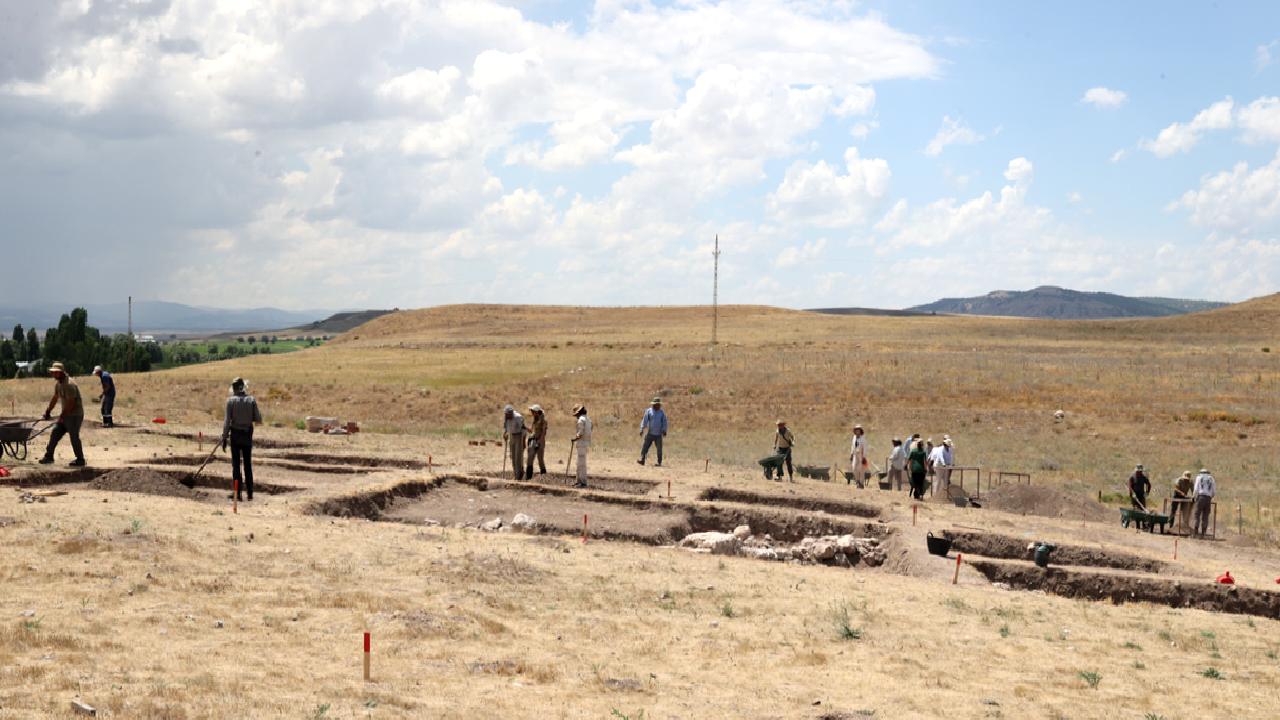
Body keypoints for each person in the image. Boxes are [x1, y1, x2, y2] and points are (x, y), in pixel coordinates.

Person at [222, 377, 262, 501]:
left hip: (235, 436)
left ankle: (237, 494)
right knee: (247, 465)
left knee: (236, 466)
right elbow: (258, 419)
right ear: (243, 387)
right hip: (247, 436)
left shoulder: (230, 401)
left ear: (234, 388)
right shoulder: (251, 400)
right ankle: (250, 493)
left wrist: (224, 437)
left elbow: (227, 422)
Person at [39, 361, 86, 467]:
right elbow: (55, 398)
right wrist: (48, 411)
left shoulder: (69, 384)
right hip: (66, 415)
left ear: (61, 372)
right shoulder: (59, 384)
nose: (53, 374)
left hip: (74, 415)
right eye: (53, 372)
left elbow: (71, 403)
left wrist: (62, 416)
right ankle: (49, 457)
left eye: (56, 372)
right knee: (55, 433)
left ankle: (80, 460)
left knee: (74, 436)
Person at [637, 397, 667, 466]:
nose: (657, 405)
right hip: (650, 433)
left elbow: (664, 422)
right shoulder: (649, 411)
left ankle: (659, 462)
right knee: (645, 447)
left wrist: (664, 430)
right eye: (655, 404)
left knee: (659, 449)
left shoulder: (661, 413)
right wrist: (641, 429)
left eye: (658, 404)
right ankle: (642, 460)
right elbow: (645, 420)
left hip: (658, 434)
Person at [502, 404, 526, 482]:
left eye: (507, 414)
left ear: (511, 413)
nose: (506, 415)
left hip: (519, 436)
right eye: (505, 414)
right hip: (511, 436)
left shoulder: (518, 417)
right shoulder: (506, 417)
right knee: (512, 456)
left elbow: (523, 429)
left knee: (518, 457)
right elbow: (506, 427)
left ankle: (519, 476)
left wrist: (523, 441)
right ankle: (516, 474)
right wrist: (505, 434)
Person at [524, 404, 547, 480]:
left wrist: (539, 441)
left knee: (540, 459)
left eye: (533, 411)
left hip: (540, 441)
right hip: (533, 440)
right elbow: (532, 431)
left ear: (537, 412)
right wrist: (525, 427)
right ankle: (528, 477)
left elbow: (543, 432)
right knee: (530, 458)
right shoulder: (535, 420)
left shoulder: (543, 420)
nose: (532, 413)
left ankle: (544, 477)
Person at [1192, 468, 1216, 539]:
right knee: (1205, 516)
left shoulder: (1199, 478)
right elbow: (1214, 491)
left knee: (1197, 515)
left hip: (1200, 497)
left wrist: (1193, 496)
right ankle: (1203, 533)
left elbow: (1196, 489)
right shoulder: (1212, 479)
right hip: (1208, 498)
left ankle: (1196, 532)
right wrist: (1210, 497)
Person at [571, 404, 592, 488]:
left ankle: (582, 482)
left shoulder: (580, 420)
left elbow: (580, 433)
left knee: (581, 464)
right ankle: (578, 481)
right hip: (586, 443)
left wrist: (575, 439)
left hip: (581, 443)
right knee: (580, 462)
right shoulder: (588, 419)